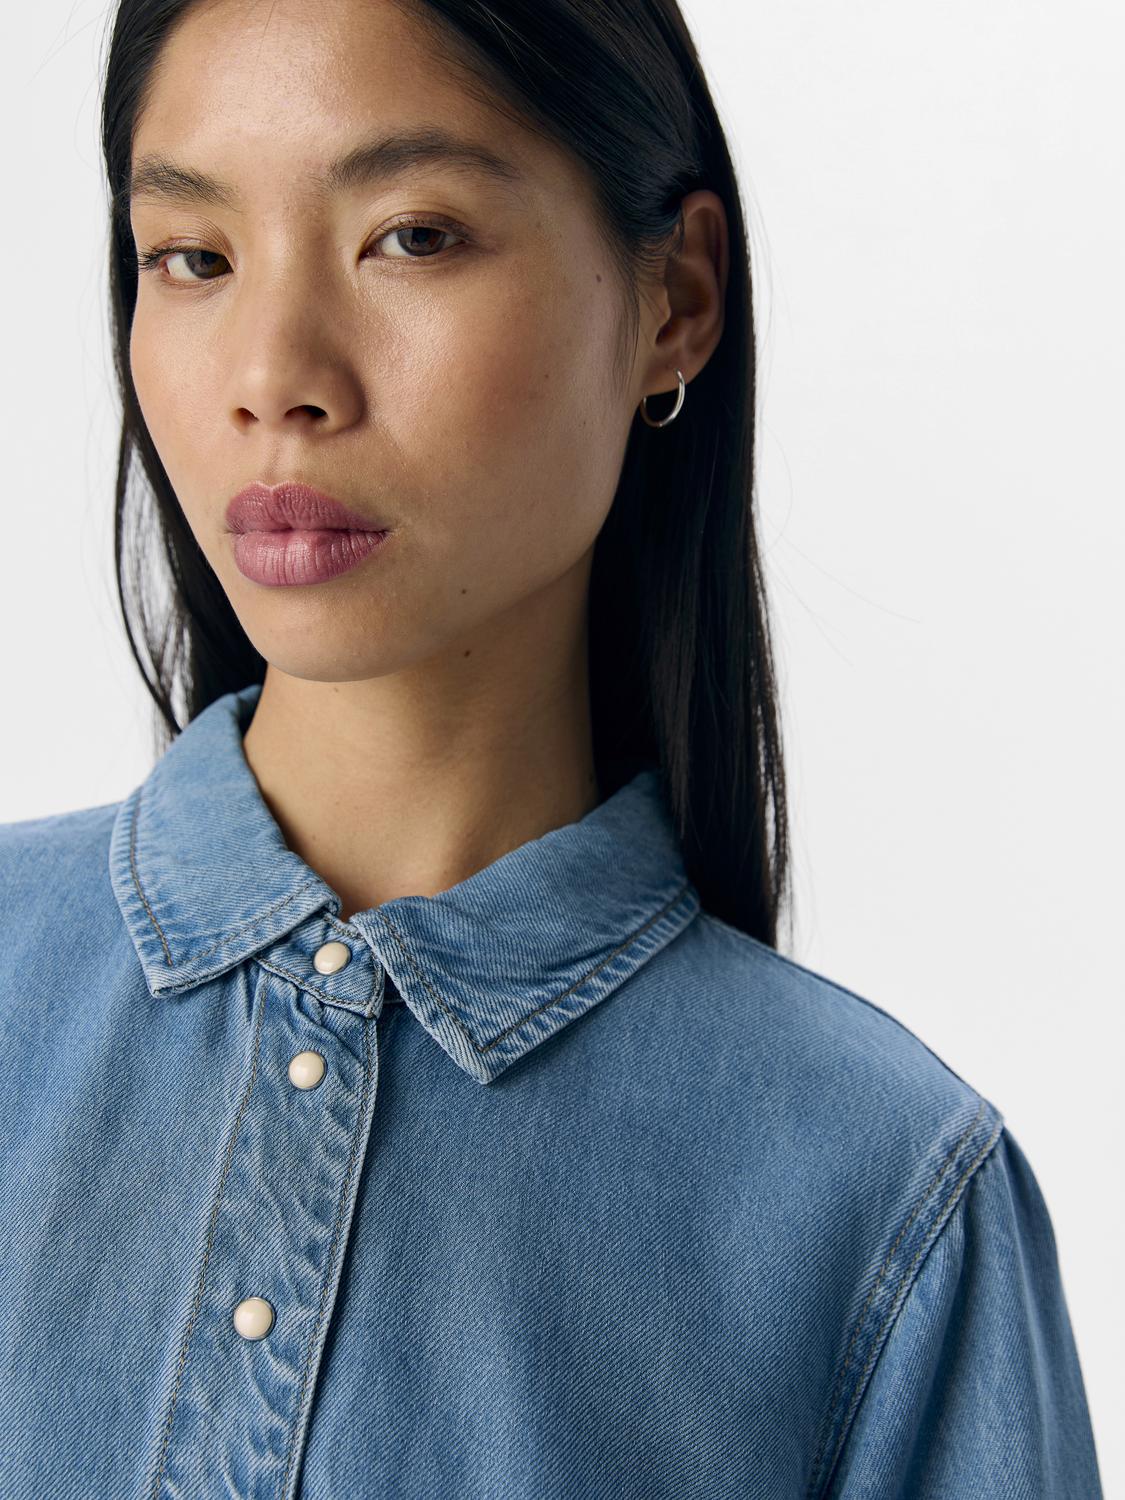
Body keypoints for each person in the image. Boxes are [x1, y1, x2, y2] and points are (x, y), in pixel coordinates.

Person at [0, 0, 1103, 1495]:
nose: (274, 373)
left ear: (675, 300)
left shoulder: (885, 1202)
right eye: (193, 257)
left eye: (411, 237)